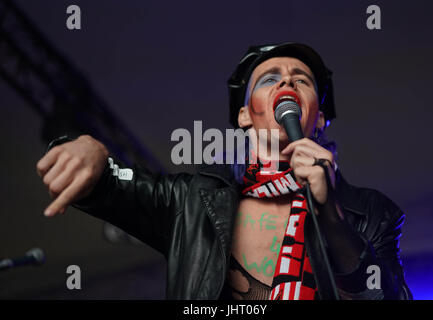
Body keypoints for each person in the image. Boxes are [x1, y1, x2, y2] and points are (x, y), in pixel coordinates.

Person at [36, 42, 412, 300]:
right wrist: (87, 147)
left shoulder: (372, 211)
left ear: (321, 118)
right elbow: (110, 185)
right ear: (244, 115)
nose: (287, 82)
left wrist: (332, 214)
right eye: (269, 79)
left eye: (303, 80)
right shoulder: (192, 201)